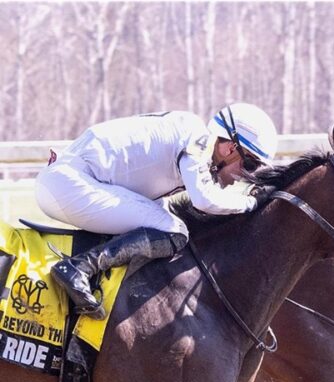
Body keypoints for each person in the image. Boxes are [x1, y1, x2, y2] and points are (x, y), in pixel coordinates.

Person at [34, 104, 278, 318]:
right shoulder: (197, 140)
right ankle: (79, 268)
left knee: (164, 219)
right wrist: (251, 204)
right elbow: (204, 200)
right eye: (250, 165)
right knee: (174, 230)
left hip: (71, 182)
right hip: (70, 183)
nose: (245, 177)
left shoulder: (193, 141)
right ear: (230, 148)